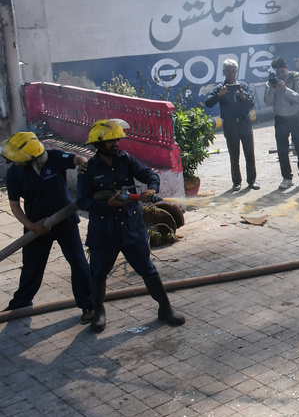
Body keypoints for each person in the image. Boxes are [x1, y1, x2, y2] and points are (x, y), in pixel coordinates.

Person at [77, 119, 185, 333]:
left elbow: (149, 174)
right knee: (98, 273)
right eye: (110, 141)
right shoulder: (88, 170)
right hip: (104, 231)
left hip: (131, 227)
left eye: (117, 139)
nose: (116, 144)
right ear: (98, 144)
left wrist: (152, 188)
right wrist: (107, 204)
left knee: (147, 269)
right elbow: (82, 202)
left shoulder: (126, 160)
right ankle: (98, 313)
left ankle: (165, 309)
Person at [2, 132, 93, 323]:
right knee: (31, 267)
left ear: (32, 157)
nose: (15, 163)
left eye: (18, 160)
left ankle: (88, 305)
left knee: (78, 263)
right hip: (36, 226)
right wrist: (31, 226)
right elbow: (15, 205)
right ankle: (20, 304)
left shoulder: (53, 157)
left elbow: (77, 159)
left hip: (65, 222)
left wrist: (83, 163)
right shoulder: (14, 173)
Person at [205, 58, 258, 191]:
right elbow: (208, 103)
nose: (231, 74)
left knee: (250, 153)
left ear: (237, 71)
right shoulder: (219, 88)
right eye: (228, 72)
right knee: (234, 155)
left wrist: (244, 98)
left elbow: (252, 104)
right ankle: (236, 182)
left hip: (245, 122)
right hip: (230, 124)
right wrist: (219, 95)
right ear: (224, 72)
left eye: (233, 72)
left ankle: (252, 181)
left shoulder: (243, 86)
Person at [264, 56, 299, 190]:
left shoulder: (296, 79)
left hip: (297, 117)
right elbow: (268, 102)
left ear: (287, 68)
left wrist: (285, 89)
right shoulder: (271, 82)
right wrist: (272, 88)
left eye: (283, 71)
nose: (281, 75)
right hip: (281, 119)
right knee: (282, 150)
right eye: (278, 72)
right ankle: (287, 178)